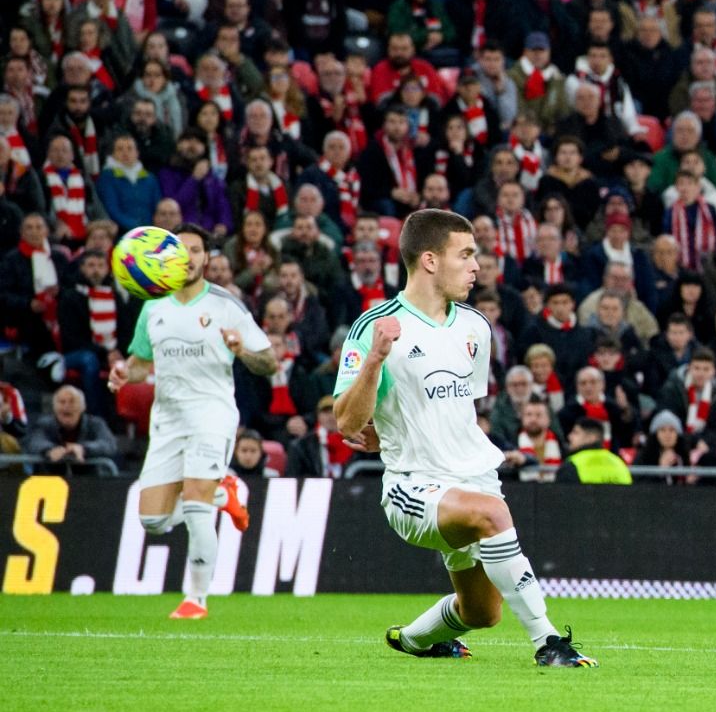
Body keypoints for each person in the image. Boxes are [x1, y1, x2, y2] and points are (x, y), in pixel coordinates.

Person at [333, 208, 596, 667]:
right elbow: (345, 422)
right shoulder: (375, 327)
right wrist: (375, 360)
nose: (478, 266)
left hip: (474, 478)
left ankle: (415, 639)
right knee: (494, 514)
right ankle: (549, 643)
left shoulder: (476, 326)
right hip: (414, 486)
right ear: (430, 260)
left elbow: (451, 407)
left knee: (481, 612)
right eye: (467, 255)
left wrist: (392, 427)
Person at [108, 224, 274, 620]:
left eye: (195, 251)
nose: (188, 257)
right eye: (180, 250)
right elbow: (141, 363)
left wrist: (240, 349)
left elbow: (268, 362)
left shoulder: (225, 304)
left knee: (197, 506)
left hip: (212, 415)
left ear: (205, 258)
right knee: (152, 520)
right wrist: (122, 373)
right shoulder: (153, 306)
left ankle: (195, 599)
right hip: (167, 419)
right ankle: (224, 492)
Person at [21, 384, 118, 468]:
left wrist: (83, 449)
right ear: (54, 407)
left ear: (83, 407)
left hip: (90, 480)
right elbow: (34, 441)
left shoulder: (96, 424)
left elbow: (109, 444)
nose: (67, 406)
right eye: (62, 402)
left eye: (72, 401)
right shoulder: (43, 424)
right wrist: (50, 450)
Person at [552, 417, 633, 485]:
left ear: (592, 438)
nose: (570, 437)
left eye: (576, 433)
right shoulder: (618, 462)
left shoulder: (573, 465)